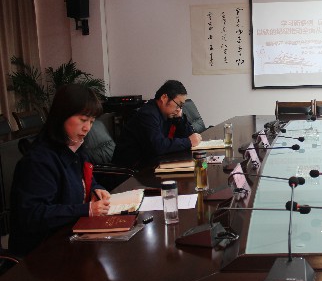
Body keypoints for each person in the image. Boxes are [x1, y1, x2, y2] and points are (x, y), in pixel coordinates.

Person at [9, 84, 111, 255]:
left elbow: (85, 179)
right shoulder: (39, 160)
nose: (87, 128)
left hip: (70, 235)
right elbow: (34, 215)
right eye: (83, 120)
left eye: (92, 122)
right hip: (41, 251)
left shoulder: (74, 147)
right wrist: (86, 209)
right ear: (63, 115)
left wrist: (96, 189)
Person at [112, 80, 202, 168]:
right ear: (164, 98)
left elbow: (190, 136)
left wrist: (179, 119)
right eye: (178, 104)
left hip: (152, 162)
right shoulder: (148, 114)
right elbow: (158, 146)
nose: (179, 109)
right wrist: (188, 142)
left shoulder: (167, 113)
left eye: (181, 106)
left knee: (196, 168)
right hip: (131, 170)